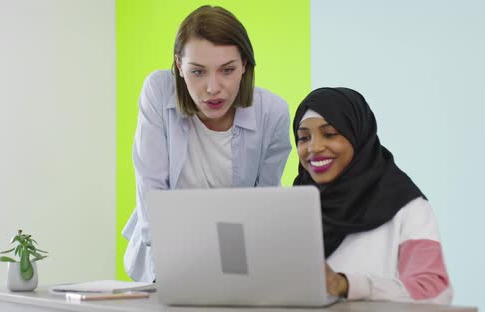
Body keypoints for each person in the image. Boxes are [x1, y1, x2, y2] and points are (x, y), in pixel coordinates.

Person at [122, 5, 292, 282]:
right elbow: (151, 186)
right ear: (179, 65)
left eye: (227, 70)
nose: (213, 88)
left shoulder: (272, 113)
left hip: (236, 254)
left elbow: (263, 205)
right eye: (198, 72)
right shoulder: (158, 90)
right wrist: (167, 268)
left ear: (244, 66)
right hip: (165, 250)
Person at [293, 87, 452, 303]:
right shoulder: (295, 206)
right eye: (303, 138)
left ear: (359, 136)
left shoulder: (407, 206)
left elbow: (435, 292)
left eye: (330, 134)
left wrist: (347, 285)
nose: (314, 147)